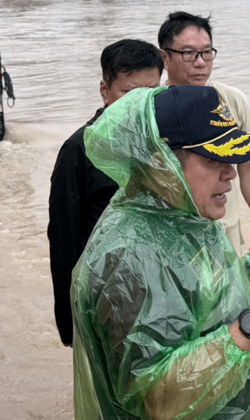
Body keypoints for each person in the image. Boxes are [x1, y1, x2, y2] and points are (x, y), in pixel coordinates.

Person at [72, 85, 250, 419]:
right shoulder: (132, 257)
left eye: (234, 159)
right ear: (160, 162)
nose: (231, 173)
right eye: (214, 159)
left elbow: (208, 307)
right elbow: (156, 400)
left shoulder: (186, 218)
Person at [47, 39, 163, 347]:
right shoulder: (78, 150)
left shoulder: (164, 144)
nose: (140, 103)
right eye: (129, 93)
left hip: (157, 290)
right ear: (105, 91)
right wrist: (70, 321)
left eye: (151, 92)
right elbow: (64, 239)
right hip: (104, 295)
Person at [158, 11, 250, 252]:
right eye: (188, 53)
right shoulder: (152, 108)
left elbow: (249, 165)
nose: (200, 62)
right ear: (164, 58)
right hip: (171, 238)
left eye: (207, 52)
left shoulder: (232, 99)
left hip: (224, 234)